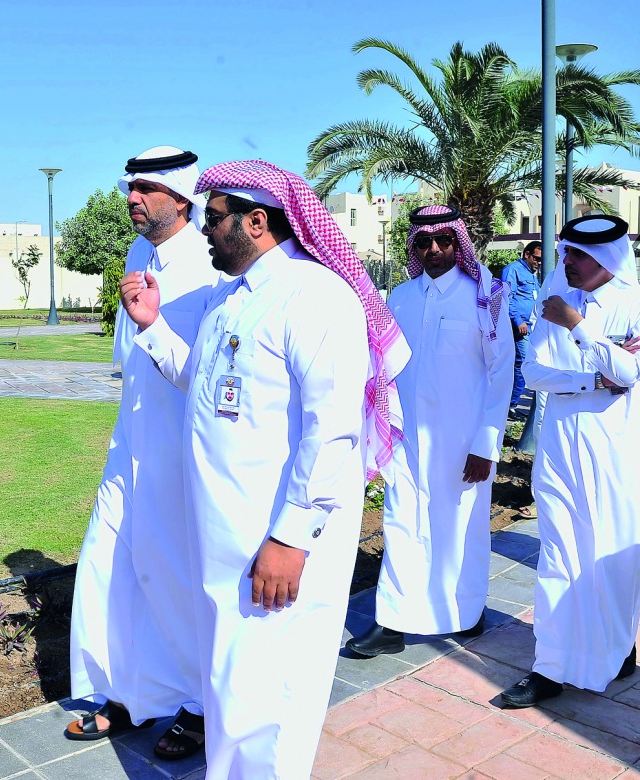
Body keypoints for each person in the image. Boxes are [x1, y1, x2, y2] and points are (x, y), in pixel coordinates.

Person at [120, 159, 410, 778]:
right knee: (234, 687)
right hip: (224, 536)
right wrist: (151, 328)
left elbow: (332, 430)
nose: (203, 228)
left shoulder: (316, 297)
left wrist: (290, 538)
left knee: (275, 696)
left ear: (256, 222)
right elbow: (201, 383)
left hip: (275, 543)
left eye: (214, 216)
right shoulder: (232, 299)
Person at [66, 146, 221, 759]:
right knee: (110, 567)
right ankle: (128, 693)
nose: (132, 198)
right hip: (129, 441)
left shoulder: (211, 266)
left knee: (176, 577)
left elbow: (204, 379)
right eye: (130, 187)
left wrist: (152, 326)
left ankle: (203, 706)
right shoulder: (139, 252)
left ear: (180, 198)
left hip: (180, 453)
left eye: (146, 189)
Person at [501, 215, 640, 707]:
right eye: (566, 253)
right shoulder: (553, 301)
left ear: (607, 260)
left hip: (620, 449)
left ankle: (618, 647)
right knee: (559, 553)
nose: (565, 262)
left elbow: (631, 370)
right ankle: (550, 664)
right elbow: (532, 371)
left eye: (576, 255)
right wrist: (588, 380)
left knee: (615, 552)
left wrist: (578, 328)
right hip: (560, 446)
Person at [345, 205, 512, 658]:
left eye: (444, 241)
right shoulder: (399, 296)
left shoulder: (487, 295)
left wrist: (486, 442)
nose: (434, 250)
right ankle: (393, 621)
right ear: (413, 246)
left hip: (464, 440)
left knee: (462, 524)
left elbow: (501, 373)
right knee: (402, 519)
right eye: (424, 242)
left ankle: (466, 613)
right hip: (406, 435)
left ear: (459, 244)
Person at [501, 241, 542, 418]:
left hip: (532, 327)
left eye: (541, 260)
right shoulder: (513, 270)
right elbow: (507, 297)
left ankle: (512, 403)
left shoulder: (532, 274)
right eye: (536, 258)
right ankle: (511, 405)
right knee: (522, 364)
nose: (539, 262)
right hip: (520, 327)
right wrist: (518, 321)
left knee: (525, 364)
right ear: (527, 254)